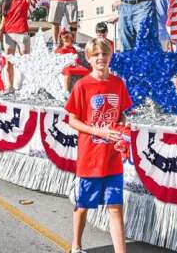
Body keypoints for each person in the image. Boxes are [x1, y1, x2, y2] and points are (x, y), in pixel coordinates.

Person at [65, 37, 132, 253]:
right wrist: (99, 131)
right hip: (90, 158)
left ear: (110, 55)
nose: (101, 58)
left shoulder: (118, 83)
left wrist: (123, 127)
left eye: (104, 53)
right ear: (89, 58)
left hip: (112, 158)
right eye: (96, 55)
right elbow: (72, 119)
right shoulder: (83, 85)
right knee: (83, 206)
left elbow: (121, 113)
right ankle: (76, 245)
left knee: (115, 208)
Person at [0, 0, 32, 93]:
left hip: (22, 33)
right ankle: (9, 87)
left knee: (25, 61)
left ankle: (27, 87)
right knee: (9, 62)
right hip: (8, 35)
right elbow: (3, 20)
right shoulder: (5, 3)